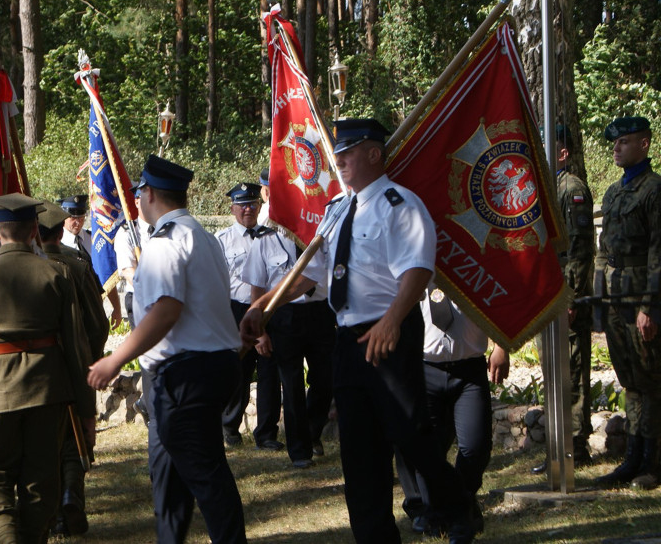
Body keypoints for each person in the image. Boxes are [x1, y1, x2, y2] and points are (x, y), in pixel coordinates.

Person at [239, 119, 476, 544]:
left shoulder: (399, 204)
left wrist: (392, 320)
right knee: (358, 447)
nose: (340, 159)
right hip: (347, 338)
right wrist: (263, 306)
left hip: (389, 333)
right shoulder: (336, 210)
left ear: (374, 153)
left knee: (409, 435)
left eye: (349, 151)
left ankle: (458, 509)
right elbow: (308, 273)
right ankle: (375, 536)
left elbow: (418, 269)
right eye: (338, 152)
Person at [88, 155, 248, 544]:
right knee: (168, 471)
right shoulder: (205, 238)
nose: (138, 198)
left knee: (206, 476)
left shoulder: (165, 242)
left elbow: (166, 310)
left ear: (151, 194)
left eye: (140, 191)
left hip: (186, 374)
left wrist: (115, 359)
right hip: (197, 371)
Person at [0, 193, 95, 543]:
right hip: (49, 392)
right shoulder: (57, 273)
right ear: (34, 231)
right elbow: (77, 349)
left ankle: (4, 534)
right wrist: (85, 410)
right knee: (41, 480)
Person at [396, 288, 509, 534]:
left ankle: (462, 503)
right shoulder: (416, 262)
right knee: (427, 450)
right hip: (426, 368)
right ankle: (437, 513)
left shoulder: (467, 261)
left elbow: (498, 297)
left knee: (476, 447)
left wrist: (502, 345)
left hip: (469, 370)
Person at [594, 116, 661, 490]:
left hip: (641, 299)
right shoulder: (614, 192)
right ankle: (632, 458)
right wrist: (599, 297)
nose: (617, 149)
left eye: (624, 143)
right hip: (618, 297)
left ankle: (652, 461)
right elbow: (604, 251)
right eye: (615, 144)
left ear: (645, 145)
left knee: (651, 381)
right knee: (631, 381)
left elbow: (658, 252)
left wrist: (650, 307)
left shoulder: (654, 190)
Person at [240, 214, 335, 466]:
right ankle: (300, 450)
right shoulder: (266, 239)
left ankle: (312, 432)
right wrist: (260, 331)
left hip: (321, 312)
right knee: (291, 383)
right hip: (284, 315)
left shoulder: (319, 233)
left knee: (325, 379)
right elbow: (257, 287)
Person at [39, 201, 109, 536]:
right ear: (58, 231)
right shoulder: (78, 268)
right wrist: (88, 359)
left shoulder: (27, 267)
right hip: (74, 366)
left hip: (35, 371)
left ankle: (54, 508)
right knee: (75, 436)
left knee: (43, 442)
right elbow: (98, 325)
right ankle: (71, 496)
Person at [530, 125, 596, 474]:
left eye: (547, 146)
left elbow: (580, 250)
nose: (540, 151)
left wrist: (570, 297)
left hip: (565, 296)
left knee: (569, 367)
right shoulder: (543, 188)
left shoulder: (570, 189)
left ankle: (575, 446)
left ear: (563, 153)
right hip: (547, 296)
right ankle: (558, 447)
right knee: (553, 369)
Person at [214, 183, 281, 450]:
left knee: (269, 372)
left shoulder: (274, 236)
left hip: (269, 309)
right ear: (232, 208)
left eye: (253, 204)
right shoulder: (222, 240)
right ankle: (230, 427)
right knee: (236, 370)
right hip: (235, 309)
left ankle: (266, 433)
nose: (248, 209)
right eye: (242, 205)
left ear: (260, 206)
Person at [59, 194, 123, 328]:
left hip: (93, 307)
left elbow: (105, 273)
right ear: (63, 217)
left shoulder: (93, 240)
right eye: (73, 218)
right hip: (69, 309)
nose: (78, 222)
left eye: (81, 217)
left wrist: (117, 308)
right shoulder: (56, 242)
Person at [114, 190, 150, 327]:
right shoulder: (127, 232)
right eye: (144, 198)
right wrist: (150, 293)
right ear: (136, 201)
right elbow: (129, 271)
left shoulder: (163, 229)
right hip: (140, 297)